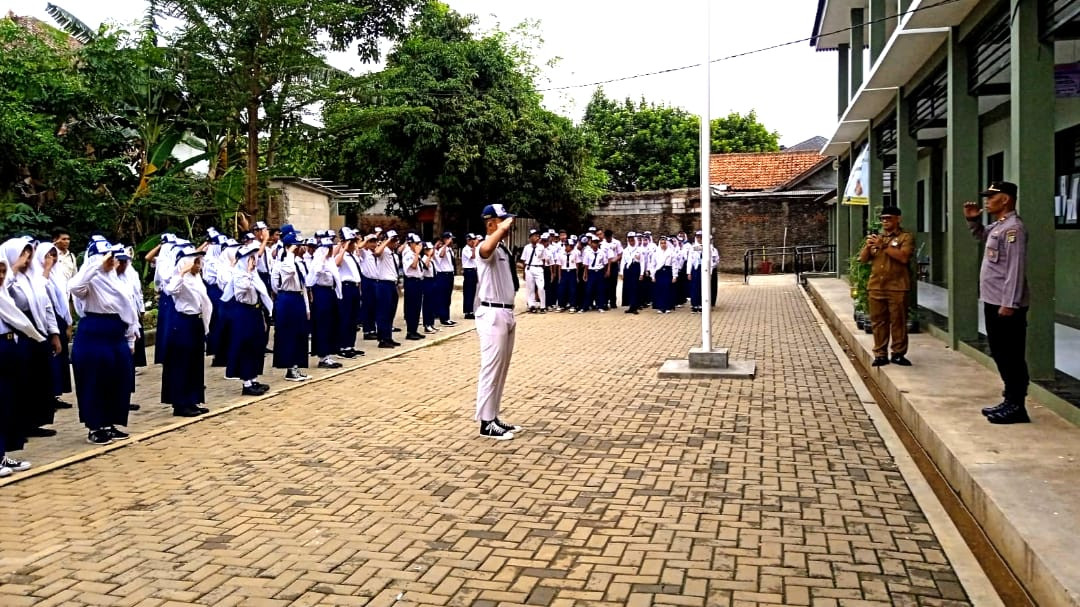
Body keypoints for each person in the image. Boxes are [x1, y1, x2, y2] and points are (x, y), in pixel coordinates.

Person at [964, 181, 1031, 424]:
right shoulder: (1000, 226)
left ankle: (1017, 406)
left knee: (1011, 355)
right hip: (994, 300)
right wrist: (973, 221)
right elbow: (982, 235)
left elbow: (1015, 269)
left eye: (991, 197)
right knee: (1001, 353)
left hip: (1006, 304)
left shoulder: (1014, 229)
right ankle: (1009, 399)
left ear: (1005, 200)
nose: (986, 201)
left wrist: (1010, 303)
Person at [69, 240, 138, 445]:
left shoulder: (116, 279)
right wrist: (97, 265)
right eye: (106, 257)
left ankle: (110, 422)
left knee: (117, 379)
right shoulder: (89, 280)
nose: (111, 261)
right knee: (94, 380)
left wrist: (131, 336)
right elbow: (74, 286)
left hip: (116, 331)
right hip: (95, 331)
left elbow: (128, 308)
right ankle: (95, 426)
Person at [3, 237, 61, 439]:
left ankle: (36, 422)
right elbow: (6, 294)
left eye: (29, 255)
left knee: (40, 378)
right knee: (23, 381)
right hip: (20, 332)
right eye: (22, 255)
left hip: (38, 331)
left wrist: (54, 333)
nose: (27, 261)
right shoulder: (8, 278)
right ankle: (21, 424)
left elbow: (46, 306)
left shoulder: (35, 278)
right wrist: (15, 268)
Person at [474, 204, 523, 440]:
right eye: (503, 221)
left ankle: (493, 416)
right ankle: (485, 423)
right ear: (491, 223)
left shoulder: (502, 248)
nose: (509, 226)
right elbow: (485, 249)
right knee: (491, 369)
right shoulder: (486, 246)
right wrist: (500, 229)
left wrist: (502, 231)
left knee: (501, 370)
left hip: (506, 312)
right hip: (492, 313)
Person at [859, 206, 915, 367]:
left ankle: (898, 353)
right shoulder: (878, 238)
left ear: (898, 219)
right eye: (883, 219)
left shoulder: (905, 237)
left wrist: (883, 246)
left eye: (889, 218)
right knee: (878, 322)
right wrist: (868, 246)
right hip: (876, 286)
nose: (885, 222)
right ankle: (880, 354)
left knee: (898, 321)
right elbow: (863, 259)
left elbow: (904, 257)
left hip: (897, 287)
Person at [162, 245, 213, 417]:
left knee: (194, 363)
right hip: (183, 322)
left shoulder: (197, 278)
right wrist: (181, 272)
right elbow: (170, 290)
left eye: (199, 262)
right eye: (195, 262)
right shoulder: (180, 279)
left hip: (196, 322)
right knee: (182, 363)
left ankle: (192, 399)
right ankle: (180, 403)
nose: (198, 266)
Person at [222, 243, 273, 396]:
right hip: (244, 313)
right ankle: (246, 382)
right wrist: (248, 272)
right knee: (245, 346)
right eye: (251, 258)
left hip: (255, 311)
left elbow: (261, 293)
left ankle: (253, 378)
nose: (254, 261)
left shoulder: (254, 274)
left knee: (256, 345)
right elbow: (241, 292)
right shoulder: (240, 274)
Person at [30, 241, 74, 409]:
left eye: (54, 255)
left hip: (58, 318)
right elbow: (41, 292)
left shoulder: (57, 274)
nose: (53, 259)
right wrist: (46, 268)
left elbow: (63, 297)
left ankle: (56, 394)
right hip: (45, 320)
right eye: (49, 255)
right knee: (50, 359)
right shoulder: (36, 274)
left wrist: (68, 322)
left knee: (59, 358)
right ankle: (49, 395)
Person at [271, 230, 311, 382]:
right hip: (287, 298)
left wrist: (307, 308)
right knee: (289, 334)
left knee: (300, 334)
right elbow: (278, 282)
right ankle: (289, 368)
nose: (302, 248)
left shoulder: (299, 262)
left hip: (298, 298)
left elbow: (303, 286)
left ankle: (297, 365)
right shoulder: (283, 263)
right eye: (298, 246)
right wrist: (289, 253)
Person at [307, 235, 344, 368]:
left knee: (331, 324)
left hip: (330, 292)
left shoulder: (330, 261)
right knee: (323, 324)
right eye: (327, 248)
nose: (329, 251)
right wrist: (322, 257)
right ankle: (323, 356)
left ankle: (328, 354)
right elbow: (315, 273)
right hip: (321, 293)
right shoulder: (318, 261)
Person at [335, 227, 365, 359]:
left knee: (353, 318)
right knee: (345, 318)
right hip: (345, 288)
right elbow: (337, 263)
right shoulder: (341, 254)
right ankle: (343, 346)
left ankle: (350, 345)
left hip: (354, 288)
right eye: (351, 242)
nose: (354, 245)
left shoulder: (353, 255)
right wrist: (344, 246)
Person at [373, 230, 402, 348]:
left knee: (391, 312)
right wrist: (387, 241)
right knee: (383, 312)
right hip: (383, 284)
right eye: (393, 240)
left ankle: (388, 336)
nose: (395, 242)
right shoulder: (383, 251)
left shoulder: (394, 255)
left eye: (396, 240)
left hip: (392, 284)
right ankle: (382, 339)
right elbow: (377, 252)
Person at [401, 233, 427, 340]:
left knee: (417, 307)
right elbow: (413, 266)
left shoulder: (415, 254)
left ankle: (414, 330)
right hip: (411, 282)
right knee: (411, 307)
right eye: (416, 243)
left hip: (418, 282)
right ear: (410, 243)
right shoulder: (408, 254)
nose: (418, 246)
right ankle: (410, 331)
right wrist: (416, 254)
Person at [433, 232, 457, 326]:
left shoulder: (449, 249)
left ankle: (447, 317)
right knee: (443, 297)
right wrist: (445, 244)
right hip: (443, 275)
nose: (452, 241)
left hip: (449, 275)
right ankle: (444, 318)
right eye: (450, 239)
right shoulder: (442, 249)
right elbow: (441, 255)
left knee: (448, 298)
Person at [520, 229, 547, 313]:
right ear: (530, 238)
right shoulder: (526, 247)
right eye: (535, 236)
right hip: (529, 268)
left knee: (541, 287)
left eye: (537, 236)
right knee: (530, 288)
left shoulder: (541, 247)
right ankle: (532, 305)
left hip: (538, 268)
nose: (537, 237)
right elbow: (524, 260)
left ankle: (543, 306)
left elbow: (544, 259)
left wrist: (542, 268)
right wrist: (524, 272)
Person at [650, 237, 676, 313]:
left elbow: (674, 265)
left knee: (667, 289)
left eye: (664, 243)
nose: (663, 245)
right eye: (661, 243)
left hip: (667, 272)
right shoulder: (656, 253)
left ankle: (668, 307)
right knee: (660, 289)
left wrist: (675, 276)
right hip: (659, 272)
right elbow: (652, 265)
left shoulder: (671, 253)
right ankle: (660, 307)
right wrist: (652, 275)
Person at [461, 233, 479, 319]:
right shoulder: (466, 249)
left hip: (473, 271)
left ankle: (471, 310)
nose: (473, 241)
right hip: (468, 271)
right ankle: (468, 312)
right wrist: (475, 247)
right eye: (472, 240)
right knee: (468, 291)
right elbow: (472, 256)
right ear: (468, 240)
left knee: (473, 292)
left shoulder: (472, 249)